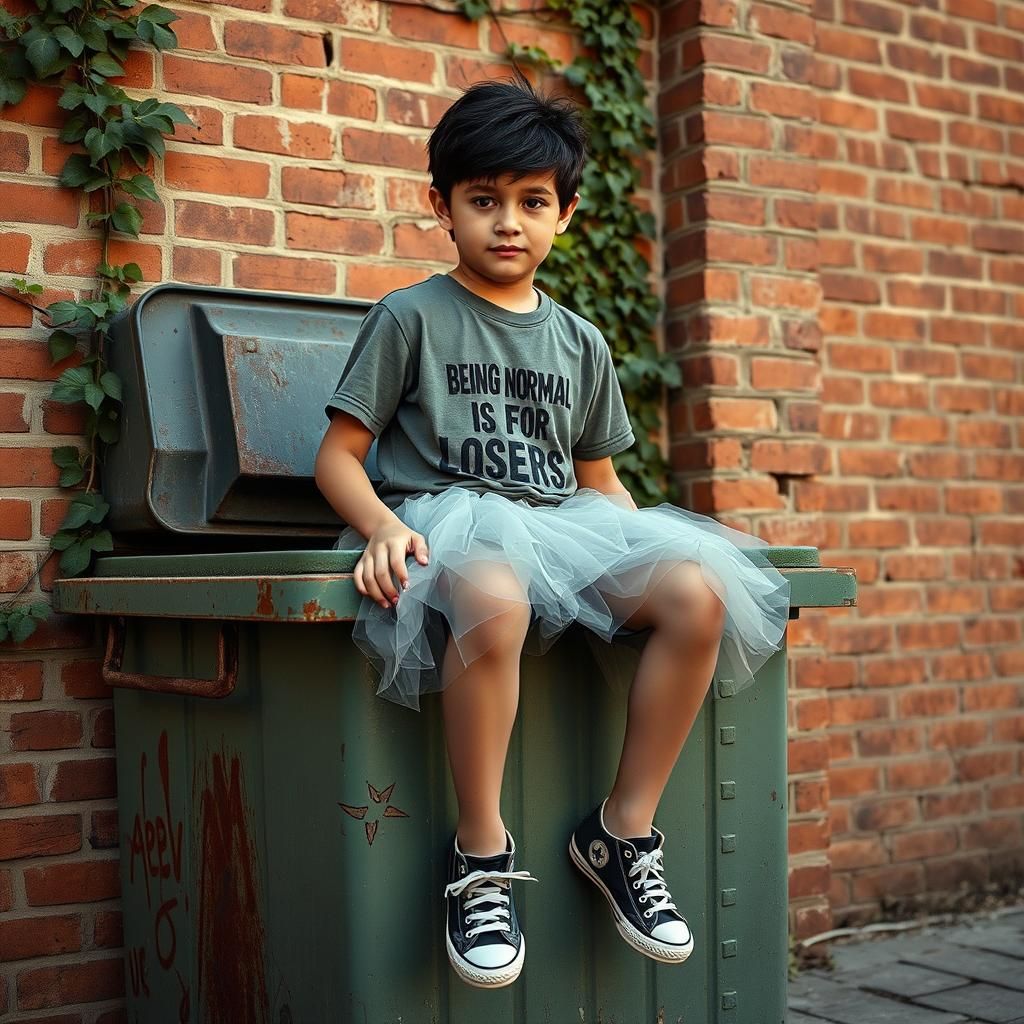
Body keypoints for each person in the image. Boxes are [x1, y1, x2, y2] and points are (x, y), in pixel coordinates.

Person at [314, 71, 791, 990]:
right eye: (483, 200)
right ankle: (481, 855)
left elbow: (600, 484)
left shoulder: (581, 342)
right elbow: (339, 454)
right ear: (442, 209)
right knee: (493, 594)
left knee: (698, 592)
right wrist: (376, 525)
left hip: (557, 525)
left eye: (532, 202)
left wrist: (647, 550)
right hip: (443, 524)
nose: (507, 222)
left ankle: (621, 833)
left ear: (564, 215)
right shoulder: (410, 317)